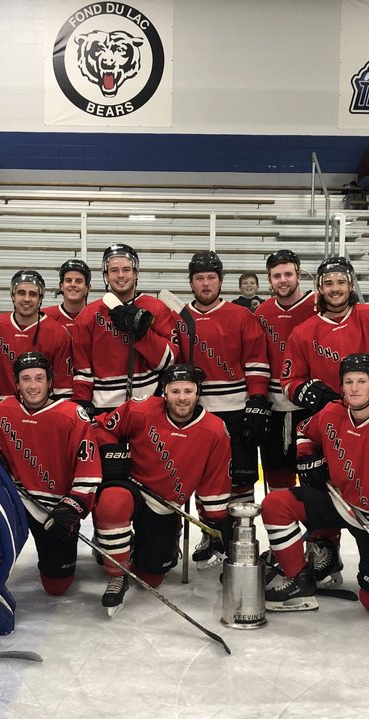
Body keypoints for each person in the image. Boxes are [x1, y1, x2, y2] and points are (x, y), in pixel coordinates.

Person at [260, 353, 369, 614]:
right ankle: (300, 580)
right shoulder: (333, 411)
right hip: (336, 501)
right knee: (276, 504)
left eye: (361, 381)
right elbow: (303, 430)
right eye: (348, 382)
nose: (354, 388)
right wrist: (309, 457)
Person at [91, 364, 233, 614]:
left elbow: (215, 481)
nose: (181, 398)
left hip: (165, 504)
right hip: (131, 487)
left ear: (198, 393)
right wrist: (108, 450)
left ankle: (132, 544)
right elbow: (100, 427)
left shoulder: (215, 430)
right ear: (164, 393)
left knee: (150, 577)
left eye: (188, 391)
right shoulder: (140, 409)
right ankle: (117, 574)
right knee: (113, 501)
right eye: (175, 391)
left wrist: (218, 521)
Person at [175, 251, 270, 561]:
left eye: (211, 277)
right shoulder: (180, 319)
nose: (205, 283)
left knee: (240, 478)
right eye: (199, 278)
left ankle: (241, 538)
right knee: (204, 477)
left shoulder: (241, 316)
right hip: (196, 411)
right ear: (191, 282)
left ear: (221, 281)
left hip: (235, 408)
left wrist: (256, 400)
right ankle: (211, 535)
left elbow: (256, 361)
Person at [0, 352, 101, 596]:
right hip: (16, 499)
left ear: (50, 382)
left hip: (54, 507)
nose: (33, 385)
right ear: (16, 384)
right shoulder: (3, 411)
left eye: (39, 378)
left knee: (56, 585)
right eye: (26, 379)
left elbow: (88, 469)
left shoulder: (71, 415)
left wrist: (71, 508)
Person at [282, 256, 369, 417]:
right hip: (327, 417)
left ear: (351, 285)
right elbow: (289, 382)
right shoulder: (302, 332)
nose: (335, 289)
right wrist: (306, 392)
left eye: (341, 282)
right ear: (320, 289)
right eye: (328, 283)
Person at [70, 243, 180, 414]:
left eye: (126, 269)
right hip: (104, 409)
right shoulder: (88, 315)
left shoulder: (156, 308)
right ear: (106, 275)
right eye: (114, 270)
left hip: (149, 405)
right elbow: (83, 369)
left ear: (136, 273)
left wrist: (142, 333)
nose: (120, 275)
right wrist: (82, 401)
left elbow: (168, 362)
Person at [254, 249, 319, 491]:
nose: (283, 280)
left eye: (288, 274)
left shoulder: (318, 305)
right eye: (277, 275)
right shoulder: (262, 312)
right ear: (269, 279)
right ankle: (282, 528)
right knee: (277, 480)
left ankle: (319, 530)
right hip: (274, 407)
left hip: (311, 407)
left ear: (298, 275)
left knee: (315, 480)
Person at [0, 269, 72, 404]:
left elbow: (63, 387)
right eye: (21, 293)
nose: (27, 299)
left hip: (41, 411)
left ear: (40, 298)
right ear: (13, 296)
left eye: (33, 294)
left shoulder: (57, 332)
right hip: (0, 410)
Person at [44, 258, 92, 335]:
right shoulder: (44, 317)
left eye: (79, 281)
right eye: (68, 280)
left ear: (88, 288)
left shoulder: (96, 317)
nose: (73, 285)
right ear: (61, 286)